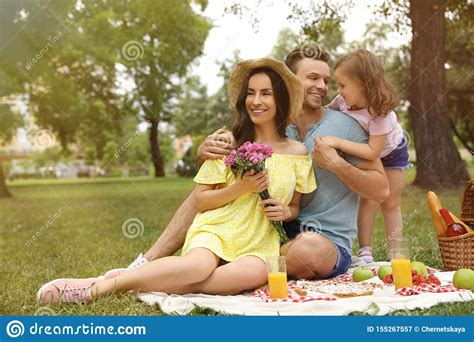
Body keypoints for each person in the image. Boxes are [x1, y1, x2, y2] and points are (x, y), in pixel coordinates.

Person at [37, 58, 317, 303]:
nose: (256, 101)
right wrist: (241, 188)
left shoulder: (298, 153)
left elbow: (294, 205)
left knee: (248, 275)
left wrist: (286, 211)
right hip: (216, 229)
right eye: (251, 93)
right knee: (196, 268)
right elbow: (201, 200)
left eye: (266, 93)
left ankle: (135, 278)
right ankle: (100, 288)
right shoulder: (228, 142)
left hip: (259, 241)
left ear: (279, 99)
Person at [100, 46, 389, 282]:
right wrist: (205, 152)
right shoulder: (272, 125)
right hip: (265, 236)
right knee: (201, 193)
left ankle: (196, 275)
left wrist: (337, 164)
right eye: (313, 77)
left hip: (322, 241)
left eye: (327, 80)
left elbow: (381, 190)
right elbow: (224, 164)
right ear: (288, 81)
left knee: (307, 249)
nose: (323, 87)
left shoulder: (347, 128)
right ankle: (146, 262)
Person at [321, 49, 409, 263]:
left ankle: (396, 255)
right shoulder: (342, 101)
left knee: (391, 204)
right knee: (368, 199)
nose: (338, 91)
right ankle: (365, 251)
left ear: (363, 85)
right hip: (365, 149)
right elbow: (324, 113)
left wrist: (340, 142)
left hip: (392, 152)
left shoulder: (380, 112)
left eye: (343, 85)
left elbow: (373, 151)